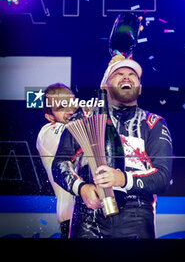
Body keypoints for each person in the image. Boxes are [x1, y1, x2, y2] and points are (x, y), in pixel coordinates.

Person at [52, 55, 173, 238]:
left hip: (137, 215)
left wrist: (121, 179)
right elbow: (60, 163)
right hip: (88, 216)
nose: (126, 77)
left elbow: (163, 176)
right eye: (118, 74)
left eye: (132, 74)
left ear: (139, 88)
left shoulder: (153, 123)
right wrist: (82, 188)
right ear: (106, 86)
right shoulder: (85, 118)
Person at [36, 83, 77, 238]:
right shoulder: (47, 133)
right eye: (61, 107)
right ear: (50, 116)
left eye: (71, 103)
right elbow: (77, 134)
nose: (70, 111)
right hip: (73, 218)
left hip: (106, 215)